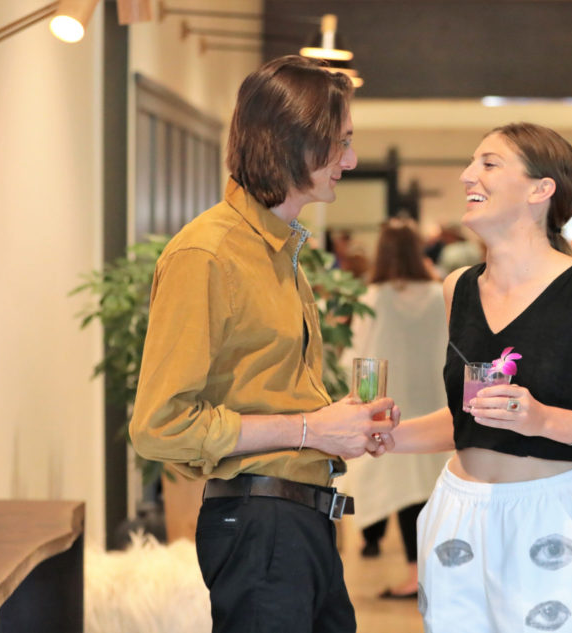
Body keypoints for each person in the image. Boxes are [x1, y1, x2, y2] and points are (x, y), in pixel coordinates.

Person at [129, 55, 400, 633]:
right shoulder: (207, 254)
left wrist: (339, 426)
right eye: (340, 142)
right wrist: (310, 430)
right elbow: (159, 425)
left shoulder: (281, 254)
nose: (350, 161)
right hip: (259, 526)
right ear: (292, 141)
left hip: (302, 523)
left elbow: (273, 395)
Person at [375, 122, 572, 632]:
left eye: (488, 164)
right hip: (455, 512)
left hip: (547, 518)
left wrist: (545, 419)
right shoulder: (456, 289)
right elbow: (468, 421)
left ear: (541, 189)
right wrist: (384, 436)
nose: (468, 175)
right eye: (472, 163)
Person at [341, 217, 451, 600]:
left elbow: (357, 357)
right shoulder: (441, 293)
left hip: (392, 408)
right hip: (437, 403)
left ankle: (412, 573)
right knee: (431, 490)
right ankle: (431, 571)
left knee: (396, 486)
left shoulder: (373, 298)